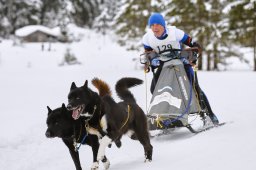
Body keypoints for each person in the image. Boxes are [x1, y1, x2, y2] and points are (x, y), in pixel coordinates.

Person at [142, 12, 219, 125]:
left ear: (163, 25)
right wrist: (151, 61)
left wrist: (193, 53)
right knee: (155, 89)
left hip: (180, 63)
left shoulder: (175, 33)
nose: (155, 28)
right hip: (164, 65)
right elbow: (148, 54)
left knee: (195, 88)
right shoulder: (147, 38)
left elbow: (193, 44)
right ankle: (166, 116)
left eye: (157, 24)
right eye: (152, 25)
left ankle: (209, 115)